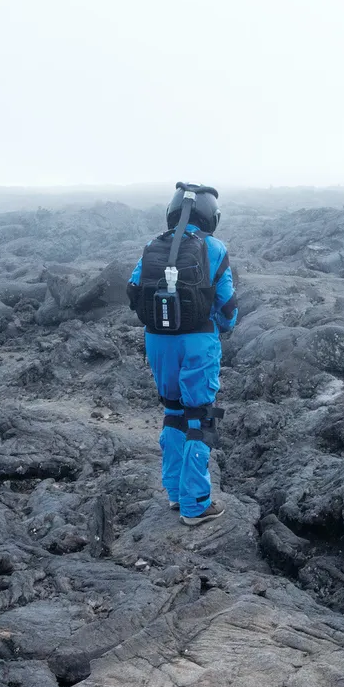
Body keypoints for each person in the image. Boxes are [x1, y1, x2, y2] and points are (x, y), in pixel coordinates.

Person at [127, 184, 238, 525]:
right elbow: (228, 306)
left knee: (173, 412)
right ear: (211, 216)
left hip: (158, 342)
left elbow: (133, 289)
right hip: (196, 342)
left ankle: (175, 494)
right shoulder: (214, 248)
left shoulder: (153, 245)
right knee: (199, 418)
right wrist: (217, 326)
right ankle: (196, 505)